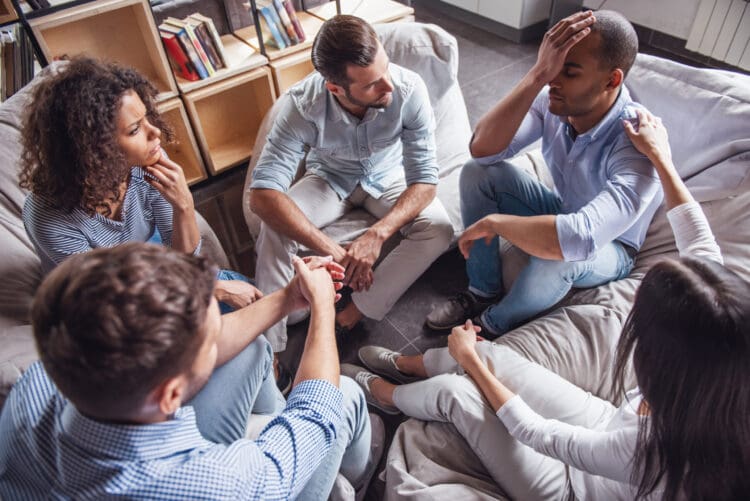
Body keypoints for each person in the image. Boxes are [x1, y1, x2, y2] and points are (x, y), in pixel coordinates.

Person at [343, 109, 750, 499]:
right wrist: (661, 157)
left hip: (572, 484)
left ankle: (383, 395)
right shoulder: (723, 357)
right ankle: (408, 367)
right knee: (490, 356)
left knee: (457, 392)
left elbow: (539, 434)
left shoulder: (657, 456)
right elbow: (699, 241)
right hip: (606, 422)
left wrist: (469, 364)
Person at [0, 243, 385, 500]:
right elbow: (313, 413)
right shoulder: (212, 483)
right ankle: (355, 475)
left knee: (250, 350)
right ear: (169, 394)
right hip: (246, 478)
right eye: (211, 332)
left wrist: (287, 299)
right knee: (346, 396)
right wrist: (322, 309)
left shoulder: (36, 383)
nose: (219, 328)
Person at [426, 10, 663, 337]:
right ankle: (482, 291)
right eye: (552, 67)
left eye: (569, 71)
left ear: (612, 80)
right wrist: (537, 73)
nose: (554, 81)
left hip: (612, 246)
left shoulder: (637, 142)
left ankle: (492, 326)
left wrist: (496, 223)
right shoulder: (553, 97)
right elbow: (483, 150)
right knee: (477, 173)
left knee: (562, 255)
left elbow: (580, 237)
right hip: (565, 210)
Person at [249, 14, 453, 354]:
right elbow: (262, 196)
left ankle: (353, 313)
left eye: (385, 69)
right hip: (329, 179)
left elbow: (425, 181)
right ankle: (269, 351)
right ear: (335, 88)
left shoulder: (408, 89)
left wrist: (376, 235)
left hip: (389, 177)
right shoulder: (301, 106)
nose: (388, 85)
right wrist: (334, 249)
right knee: (273, 227)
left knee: (439, 228)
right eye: (371, 84)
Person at [19, 56, 260, 311]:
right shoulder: (48, 220)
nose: (155, 133)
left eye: (147, 118)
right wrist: (214, 288)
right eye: (135, 130)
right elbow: (118, 299)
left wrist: (184, 206)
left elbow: (185, 260)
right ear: (94, 149)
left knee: (249, 304)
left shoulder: (147, 163)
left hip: (151, 262)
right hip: (99, 297)